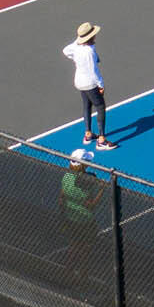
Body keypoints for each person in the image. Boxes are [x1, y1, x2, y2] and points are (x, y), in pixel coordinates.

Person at [59, 147, 104, 281]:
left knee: (73, 246)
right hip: (85, 221)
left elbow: (61, 198)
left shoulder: (66, 177)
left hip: (70, 218)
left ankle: (68, 271)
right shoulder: (89, 180)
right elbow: (91, 205)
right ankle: (83, 275)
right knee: (85, 249)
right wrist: (102, 189)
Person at [64, 21, 109, 150]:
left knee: (87, 105)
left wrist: (75, 56)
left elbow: (66, 50)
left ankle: (88, 134)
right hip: (90, 83)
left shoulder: (77, 47)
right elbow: (93, 71)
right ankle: (101, 140)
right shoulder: (89, 51)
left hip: (79, 82)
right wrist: (101, 85)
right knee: (100, 106)